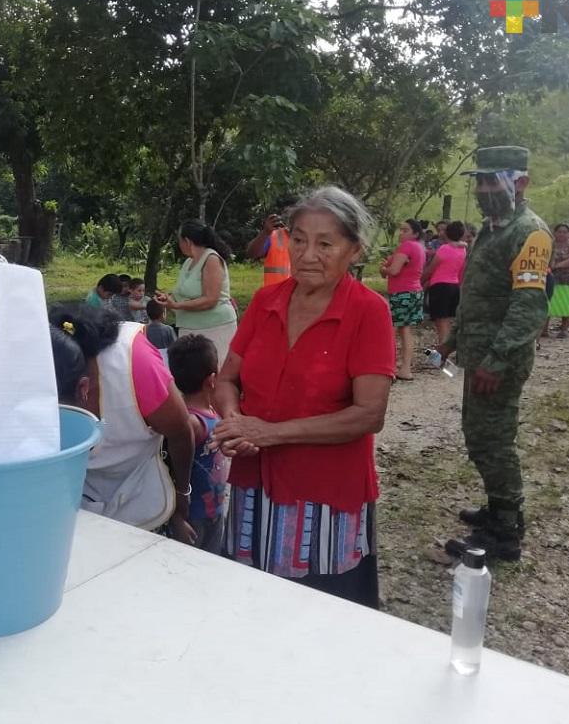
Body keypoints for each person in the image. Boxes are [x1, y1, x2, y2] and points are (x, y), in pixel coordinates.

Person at [211, 186, 395, 608]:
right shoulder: (266, 301)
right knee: (251, 604)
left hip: (325, 493)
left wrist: (271, 432)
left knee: (322, 612)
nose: (308, 254)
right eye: (298, 239)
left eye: (325, 243)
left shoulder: (368, 312)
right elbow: (226, 380)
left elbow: (368, 414)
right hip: (253, 482)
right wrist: (234, 420)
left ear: (354, 249)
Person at [439, 146, 552, 561]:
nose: (485, 189)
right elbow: (478, 295)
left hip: (499, 361)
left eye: (493, 181)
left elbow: (527, 305)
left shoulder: (530, 232)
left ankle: (506, 530)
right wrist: (452, 341)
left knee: (494, 441)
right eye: (480, 181)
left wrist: (497, 359)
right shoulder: (492, 228)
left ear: (520, 182)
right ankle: (496, 507)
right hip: (479, 353)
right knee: (478, 434)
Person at [48, 304, 196, 541]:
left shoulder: (135, 365)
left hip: (141, 495)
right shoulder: (36, 372)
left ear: (83, 388)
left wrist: (182, 496)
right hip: (74, 501)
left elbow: (180, 432)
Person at [167, 335, 231, 553]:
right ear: (212, 379)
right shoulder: (192, 423)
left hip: (214, 509)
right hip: (193, 517)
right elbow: (172, 471)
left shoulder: (212, 411)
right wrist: (176, 518)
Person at [155, 221, 238, 370]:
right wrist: (168, 298)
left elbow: (211, 299)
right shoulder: (188, 262)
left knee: (214, 372)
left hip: (215, 327)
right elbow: (182, 292)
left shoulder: (211, 259)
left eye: (179, 240)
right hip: (189, 328)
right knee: (191, 377)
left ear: (187, 241)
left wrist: (177, 305)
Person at [380, 219, 426, 381]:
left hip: (402, 293)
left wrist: (383, 269)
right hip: (415, 291)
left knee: (391, 329)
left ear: (415, 233)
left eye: (405, 230)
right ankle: (405, 368)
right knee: (406, 330)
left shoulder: (406, 246)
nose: (401, 233)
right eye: (401, 229)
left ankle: (389, 366)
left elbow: (393, 270)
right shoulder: (420, 247)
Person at [422, 219, 467, 345]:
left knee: (441, 324)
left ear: (447, 233)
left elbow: (431, 269)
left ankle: (440, 358)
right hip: (454, 286)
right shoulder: (463, 249)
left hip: (440, 287)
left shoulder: (444, 249)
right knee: (446, 321)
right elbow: (462, 271)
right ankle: (440, 354)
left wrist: (420, 282)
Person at [246, 196, 296, 287]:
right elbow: (251, 254)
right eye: (287, 216)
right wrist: (265, 232)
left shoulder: (308, 238)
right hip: (275, 294)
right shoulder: (273, 236)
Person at [545, 224, 569, 339]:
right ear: (554, 232)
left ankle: (564, 329)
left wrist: (558, 265)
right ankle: (544, 329)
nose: (562, 234)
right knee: (548, 300)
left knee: (567, 301)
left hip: (567, 276)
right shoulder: (550, 242)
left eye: (565, 232)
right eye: (559, 231)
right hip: (551, 275)